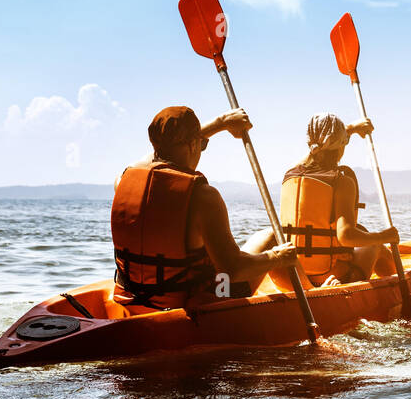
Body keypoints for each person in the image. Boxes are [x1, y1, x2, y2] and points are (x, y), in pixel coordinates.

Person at [110, 105, 299, 310]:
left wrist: (221, 123)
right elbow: (232, 269)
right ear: (193, 144)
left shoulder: (122, 181)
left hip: (134, 297)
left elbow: (149, 159)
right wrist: (278, 258)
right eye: (202, 144)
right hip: (205, 299)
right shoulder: (203, 197)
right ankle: (315, 292)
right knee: (272, 238)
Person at [249, 113, 399, 289]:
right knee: (377, 245)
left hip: (290, 277)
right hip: (331, 278)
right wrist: (386, 236)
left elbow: (315, 150)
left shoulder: (291, 174)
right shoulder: (341, 182)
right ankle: (399, 281)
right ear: (341, 145)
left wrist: (350, 129)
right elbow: (346, 236)